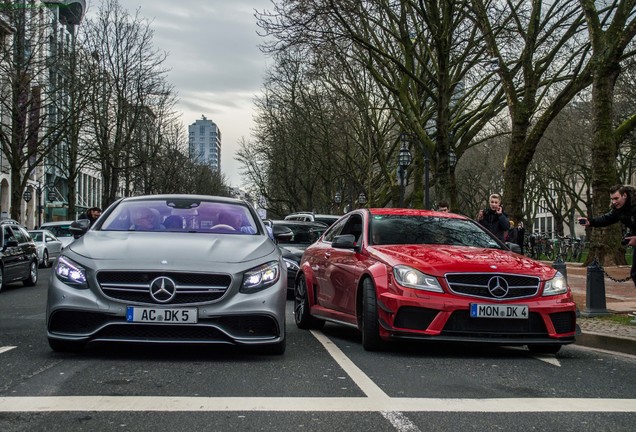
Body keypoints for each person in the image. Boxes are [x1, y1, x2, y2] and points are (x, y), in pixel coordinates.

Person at [579, 184, 636, 286]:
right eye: (612, 199)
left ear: (625, 195)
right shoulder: (618, 209)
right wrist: (590, 222)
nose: (614, 202)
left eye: (616, 198)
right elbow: (607, 218)